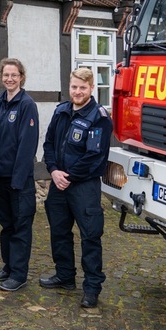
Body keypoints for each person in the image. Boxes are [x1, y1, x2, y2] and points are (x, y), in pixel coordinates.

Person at [39, 67, 113, 309]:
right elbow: (49, 143)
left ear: (91, 88)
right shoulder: (61, 111)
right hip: (59, 183)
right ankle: (65, 276)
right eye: (74, 87)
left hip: (83, 186)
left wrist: (67, 176)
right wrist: (53, 171)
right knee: (59, 232)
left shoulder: (99, 117)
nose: (77, 91)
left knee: (90, 236)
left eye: (82, 87)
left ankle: (91, 288)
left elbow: (94, 156)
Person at [0, 57, 40, 292]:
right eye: (6, 75)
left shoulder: (27, 104)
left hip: (18, 181)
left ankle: (19, 274)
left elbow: (27, 146)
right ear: (1, 77)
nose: (9, 79)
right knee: (6, 225)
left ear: (21, 77)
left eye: (14, 75)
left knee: (20, 227)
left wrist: (18, 179)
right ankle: (8, 266)